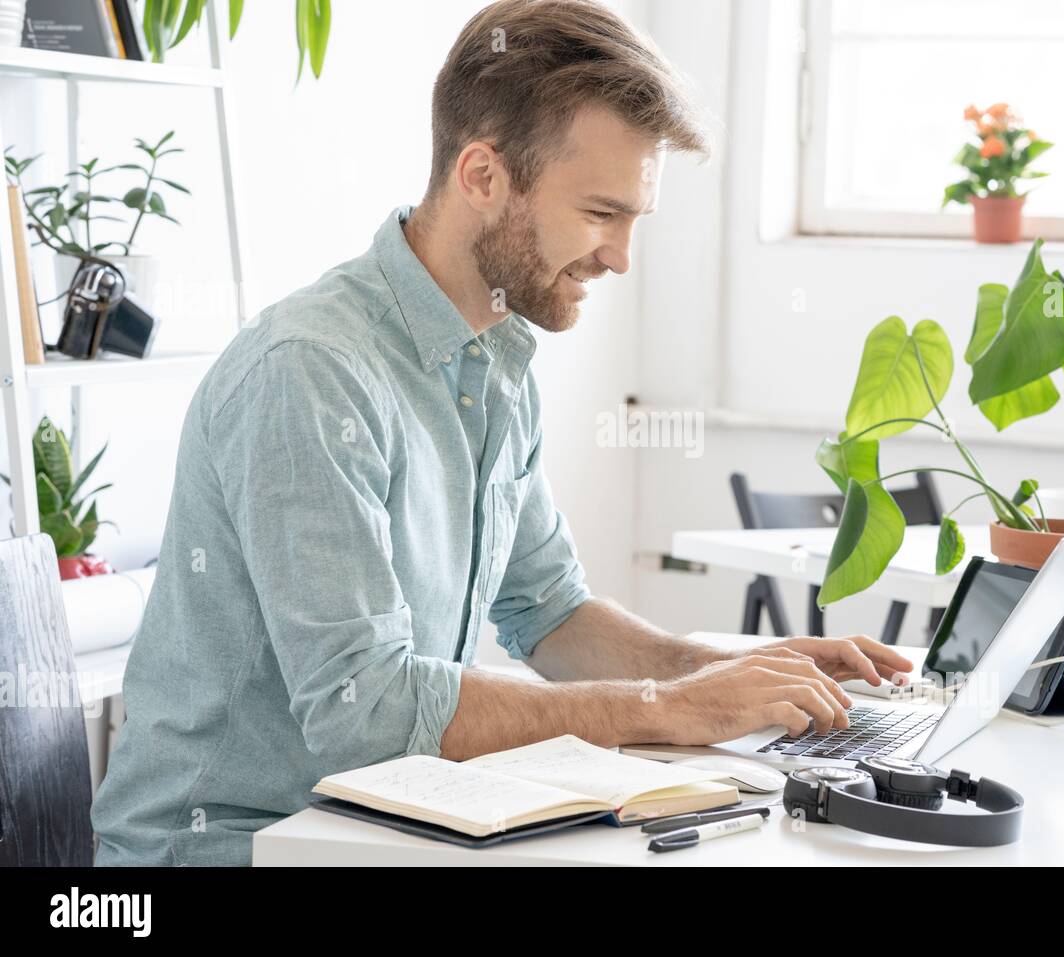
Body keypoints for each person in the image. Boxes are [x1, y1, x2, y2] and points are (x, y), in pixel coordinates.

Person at [91, 0, 912, 866]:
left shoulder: (495, 352)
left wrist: (720, 674)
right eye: (601, 213)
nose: (622, 257)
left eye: (636, 218)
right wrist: (667, 708)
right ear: (482, 175)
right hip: (231, 849)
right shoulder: (309, 371)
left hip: (379, 830)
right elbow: (364, 712)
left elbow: (550, 612)